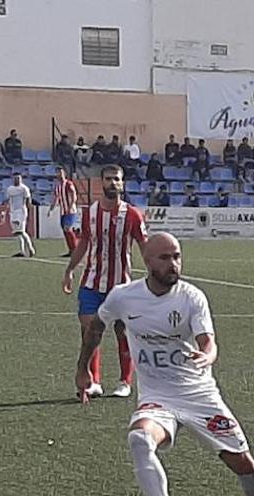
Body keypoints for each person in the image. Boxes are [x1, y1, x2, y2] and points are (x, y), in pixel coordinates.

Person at [75, 232, 254, 496]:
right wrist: (83, 367)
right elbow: (96, 326)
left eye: (177, 256)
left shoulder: (192, 297)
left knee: (241, 461)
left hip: (200, 396)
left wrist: (207, 354)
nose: (173, 264)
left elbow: (207, 340)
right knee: (139, 438)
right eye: (165, 258)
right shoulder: (123, 297)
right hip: (157, 397)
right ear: (147, 261)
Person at [60, 164, 147, 399]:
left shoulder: (132, 215)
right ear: (102, 182)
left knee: (123, 332)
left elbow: (145, 247)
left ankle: (124, 381)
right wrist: (69, 269)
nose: (113, 183)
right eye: (108, 179)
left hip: (121, 286)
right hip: (91, 284)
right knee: (90, 332)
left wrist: (154, 275)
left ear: (123, 183)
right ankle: (94, 381)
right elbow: (84, 244)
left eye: (117, 180)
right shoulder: (90, 213)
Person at [5, 173, 35, 258]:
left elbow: (28, 200)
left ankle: (31, 248)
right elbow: (8, 200)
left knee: (21, 231)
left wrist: (29, 211)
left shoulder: (24, 188)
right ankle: (22, 251)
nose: (17, 180)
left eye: (19, 178)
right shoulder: (10, 189)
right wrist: (5, 210)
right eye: (15, 178)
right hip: (13, 212)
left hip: (21, 211)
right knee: (18, 233)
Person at [54, 167, 79, 257]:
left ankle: (75, 249)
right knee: (65, 231)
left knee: (67, 229)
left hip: (70, 211)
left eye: (60, 172)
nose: (59, 175)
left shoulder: (68, 184)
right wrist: (51, 208)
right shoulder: (58, 186)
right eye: (57, 173)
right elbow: (56, 198)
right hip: (63, 212)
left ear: (64, 173)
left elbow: (74, 195)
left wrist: (71, 205)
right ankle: (71, 250)